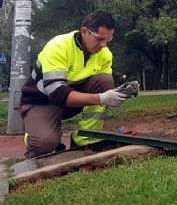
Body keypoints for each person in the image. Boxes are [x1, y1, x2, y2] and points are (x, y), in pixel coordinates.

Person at [20, 11, 128, 157]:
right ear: (84, 32)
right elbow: (57, 94)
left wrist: (124, 92)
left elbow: (103, 86)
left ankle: (85, 139)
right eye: (100, 39)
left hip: (70, 102)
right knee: (44, 143)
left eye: (108, 40)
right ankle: (33, 135)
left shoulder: (105, 54)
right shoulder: (58, 47)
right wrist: (102, 99)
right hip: (41, 102)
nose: (103, 45)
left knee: (105, 80)